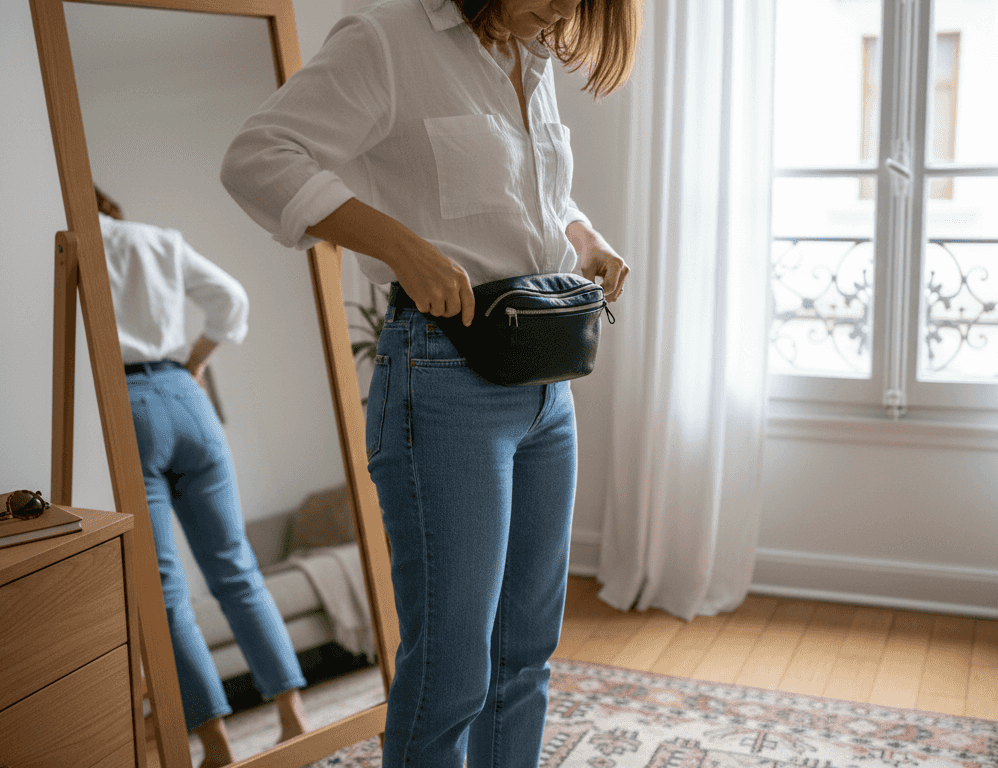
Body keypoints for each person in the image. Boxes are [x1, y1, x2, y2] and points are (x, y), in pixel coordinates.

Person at [220, 0, 639, 765]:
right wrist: (402, 248)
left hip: (548, 382)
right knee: (451, 671)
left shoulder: (529, 54)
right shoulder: (387, 39)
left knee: (525, 655)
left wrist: (585, 238)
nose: (561, 9)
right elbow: (258, 157)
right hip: (445, 379)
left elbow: (524, 197)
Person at [96, 188, 310, 768]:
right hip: (186, 395)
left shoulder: (72, 251)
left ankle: (216, 747)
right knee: (237, 569)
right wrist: (197, 358)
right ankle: (293, 719)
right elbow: (231, 299)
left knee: (165, 592)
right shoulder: (157, 240)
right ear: (110, 206)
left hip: (127, 402)